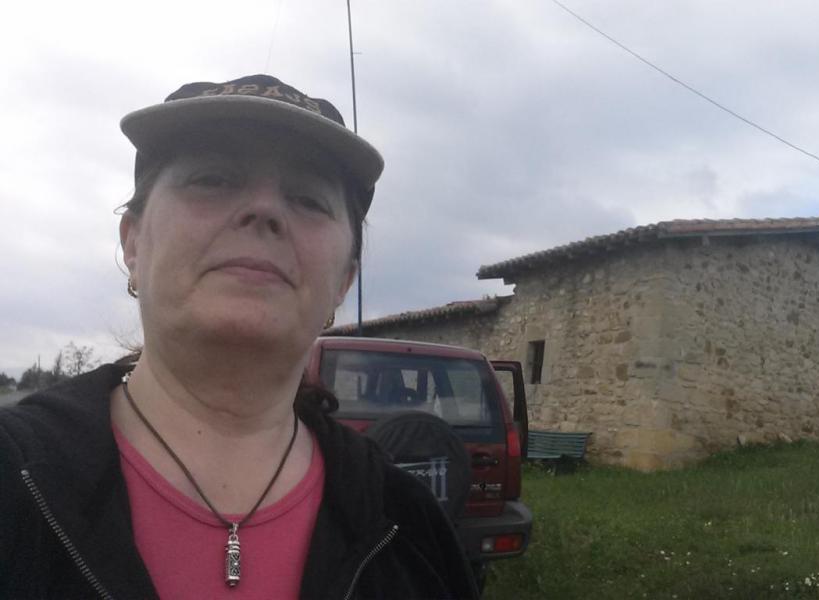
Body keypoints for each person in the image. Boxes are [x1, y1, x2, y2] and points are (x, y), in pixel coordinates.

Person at [0, 74, 479, 599]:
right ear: (132, 242)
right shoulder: (15, 474)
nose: (265, 210)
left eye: (308, 199)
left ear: (344, 280)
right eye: (212, 178)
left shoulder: (411, 526)